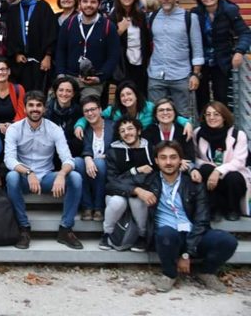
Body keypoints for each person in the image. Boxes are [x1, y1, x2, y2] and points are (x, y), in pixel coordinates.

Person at [126, 140, 238, 293]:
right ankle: (169, 274)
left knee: (228, 241)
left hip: (194, 234)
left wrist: (186, 254)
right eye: (163, 158)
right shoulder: (149, 180)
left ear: (180, 160)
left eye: (173, 157)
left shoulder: (194, 182)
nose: (168, 162)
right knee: (165, 234)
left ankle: (206, 272)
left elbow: (202, 220)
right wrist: (137, 190)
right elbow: (114, 183)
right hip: (168, 237)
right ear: (156, 161)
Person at [4, 91, 83, 250]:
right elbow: (9, 160)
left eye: (39, 105)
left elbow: (68, 159)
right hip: (24, 179)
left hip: (47, 178)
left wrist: (62, 174)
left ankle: (66, 229)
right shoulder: (14, 129)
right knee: (11, 176)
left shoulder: (54, 129)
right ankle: (24, 228)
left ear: (44, 109)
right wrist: (28, 172)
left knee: (75, 177)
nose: (35, 109)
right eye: (31, 105)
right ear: (25, 108)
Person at [148, 0, 204, 119]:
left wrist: (195, 74)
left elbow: (197, 48)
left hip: (181, 75)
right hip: (156, 75)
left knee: (184, 116)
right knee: (155, 115)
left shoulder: (189, 18)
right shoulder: (152, 17)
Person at [192, 0, 251, 110]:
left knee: (222, 97)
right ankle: (204, 121)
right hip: (201, 61)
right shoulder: (195, 13)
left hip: (222, 60)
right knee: (201, 97)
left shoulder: (229, 11)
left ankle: (223, 121)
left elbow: (245, 33)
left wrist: (239, 51)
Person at [98, 118, 153, 252]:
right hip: (118, 192)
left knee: (137, 200)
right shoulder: (113, 151)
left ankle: (142, 236)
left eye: (130, 129)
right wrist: (135, 173)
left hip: (142, 193)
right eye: (122, 131)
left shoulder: (150, 149)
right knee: (117, 202)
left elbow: (153, 175)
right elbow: (112, 182)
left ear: (139, 131)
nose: (126, 133)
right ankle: (107, 234)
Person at [55, 0, 120, 99]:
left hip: (94, 81)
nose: (88, 5)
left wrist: (100, 77)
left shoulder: (108, 26)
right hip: (69, 79)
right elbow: (60, 50)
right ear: (80, 3)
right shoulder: (68, 24)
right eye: (85, 1)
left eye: (93, 2)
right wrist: (60, 76)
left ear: (99, 4)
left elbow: (113, 56)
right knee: (56, 104)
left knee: (90, 106)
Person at [74, 81, 193, 141]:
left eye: (129, 94)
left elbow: (167, 114)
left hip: (146, 144)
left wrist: (186, 122)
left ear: (136, 95)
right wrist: (80, 125)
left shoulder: (149, 107)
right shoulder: (114, 110)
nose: (126, 98)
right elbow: (93, 114)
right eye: (122, 95)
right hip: (124, 143)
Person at [192, 101, 250, 221]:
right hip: (210, 177)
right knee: (205, 169)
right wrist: (210, 167)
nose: (211, 117)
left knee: (233, 177)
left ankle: (233, 210)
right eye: (208, 114)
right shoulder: (198, 133)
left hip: (232, 176)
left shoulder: (238, 135)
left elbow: (239, 161)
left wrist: (218, 171)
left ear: (224, 116)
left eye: (216, 114)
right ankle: (213, 209)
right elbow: (194, 157)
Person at [6, 0, 56, 92]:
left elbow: (51, 32)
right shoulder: (13, 9)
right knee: (22, 93)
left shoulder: (43, 6)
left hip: (40, 62)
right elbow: (10, 34)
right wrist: (16, 54)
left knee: (39, 94)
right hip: (20, 63)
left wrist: (48, 56)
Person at [76, 96, 113, 222]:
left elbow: (117, 147)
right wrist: (87, 158)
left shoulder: (112, 125)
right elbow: (85, 147)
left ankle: (99, 208)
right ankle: (87, 207)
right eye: (86, 111)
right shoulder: (84, 128)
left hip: (107, 167)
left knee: (100, 163)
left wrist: (106, 156)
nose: (90, 113)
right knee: (77, 163)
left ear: (100, 109)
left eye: (93, 109)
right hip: (89, 167)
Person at [110, 0, 151, 90]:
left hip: (141, 62)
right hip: (123, 64)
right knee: (126, 93)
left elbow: (147, 40)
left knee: (141, 93)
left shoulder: (141, 16)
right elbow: (107, 43)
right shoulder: (113, 17)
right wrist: (119, 31)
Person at [143, 98, 194, 170]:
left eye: (168, 109)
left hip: (180, 169)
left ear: (175, 113)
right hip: (156, 170)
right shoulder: (148, 132)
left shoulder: (184, 131)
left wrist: (180, 163)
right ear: (155, 115)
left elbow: (190, 156)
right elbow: (148, 156)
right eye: (161, 110)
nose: (165, 113)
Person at [45, 77, 83, 161]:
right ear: (56, 92)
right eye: (61, 90)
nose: (64, 94)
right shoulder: (46, 111)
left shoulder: (79, 112)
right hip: (49, 156)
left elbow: (79, 142)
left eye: (68, 91)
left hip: (72, 155)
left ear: (73, 94)